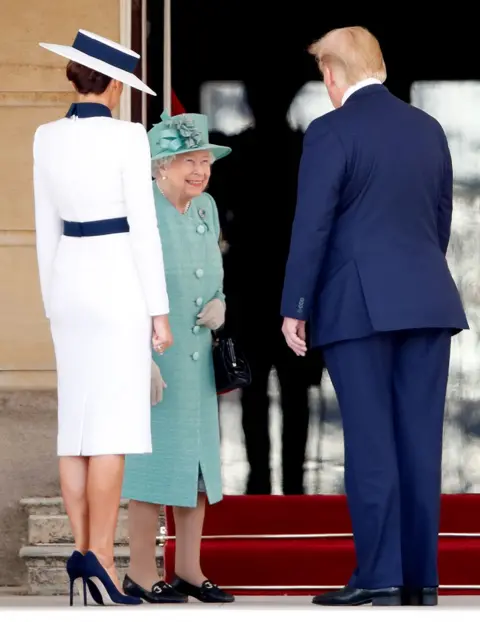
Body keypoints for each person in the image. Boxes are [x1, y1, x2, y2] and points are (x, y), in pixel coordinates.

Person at [281, 26, 468, 607]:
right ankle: (421, 579)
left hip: (358, 306)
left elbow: (312, 226)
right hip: (428, 301)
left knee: (370, 443)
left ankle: (379, 574)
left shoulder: (330, 130)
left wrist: (296, 306)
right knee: (419, 441)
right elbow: (440, 219)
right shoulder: (428, 129)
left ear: (333, 73)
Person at [34, 29, 172, 606]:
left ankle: (82, 552)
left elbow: (45, 231)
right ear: (114, 85)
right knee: (111, 426)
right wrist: (158, 312)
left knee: (76, 428)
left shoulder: (45, 137)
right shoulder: (129, 136)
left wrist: (52, 302)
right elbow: (144, 228)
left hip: (67, 283)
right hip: (117, 282)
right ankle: (101, 562)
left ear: (74, 76)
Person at [121, 111, 234, 604]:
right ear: (160, 165)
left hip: (199, 358)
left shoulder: (206, 206)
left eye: (205, 161)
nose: (200, 170)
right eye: (189, 161)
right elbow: (123, 286)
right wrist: (137, 358)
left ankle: (189, 568)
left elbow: (215, 269)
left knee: (199, 471)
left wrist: (220, 303)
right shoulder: (138, 207)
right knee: (152, 467)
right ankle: (141, 570)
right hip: (156, 356)